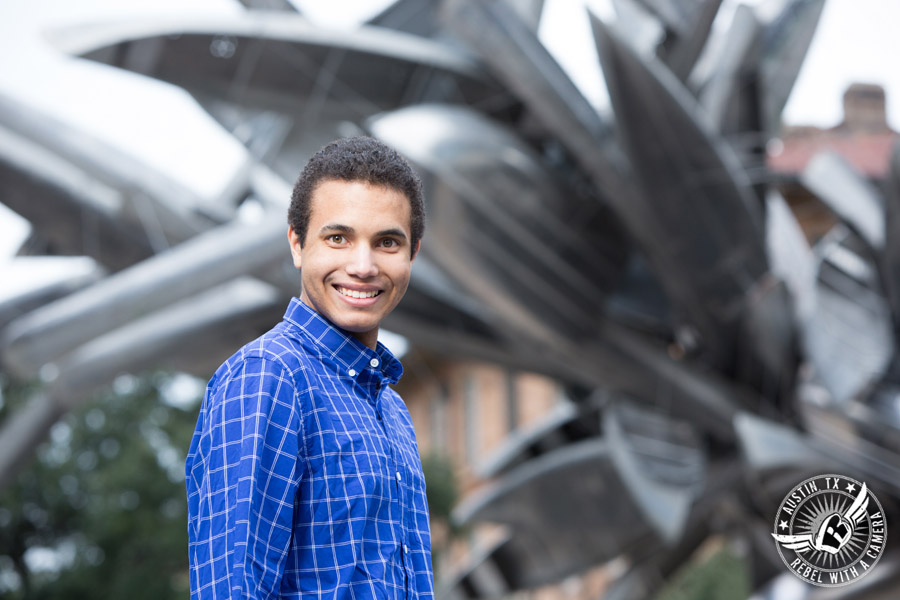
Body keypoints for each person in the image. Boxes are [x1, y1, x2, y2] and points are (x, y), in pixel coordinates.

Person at [185, 136, 433, 599]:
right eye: (338, 238)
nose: (363, 265)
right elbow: (231, 589)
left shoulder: (392, 409)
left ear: (412, 254)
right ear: (297, 244)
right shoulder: (268, 377)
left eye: (387, 242)